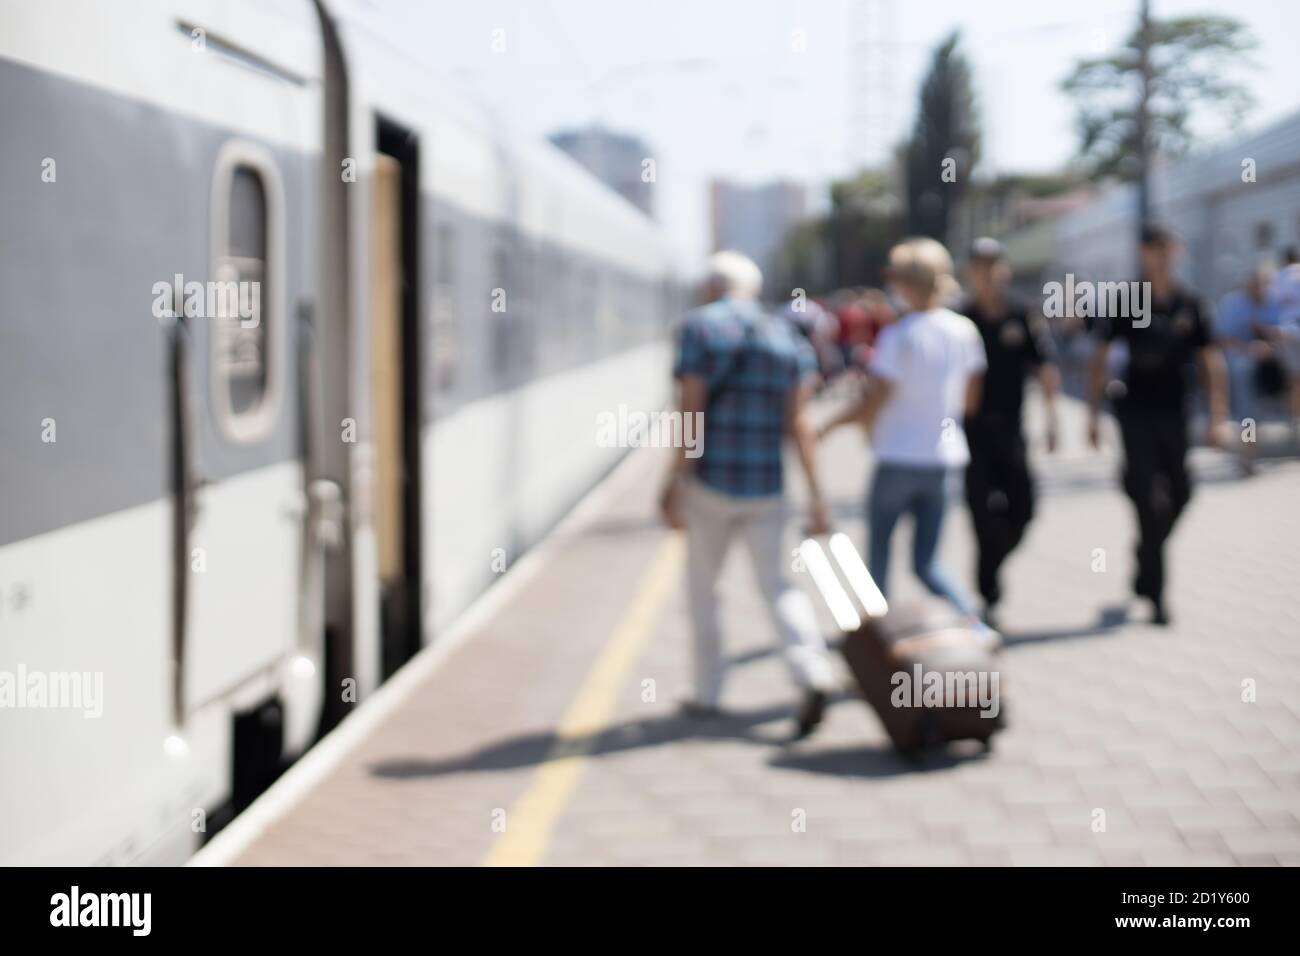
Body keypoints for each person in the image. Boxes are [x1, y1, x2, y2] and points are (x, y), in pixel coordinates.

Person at [659, 251, 836, 739]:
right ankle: (812, 673)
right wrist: (818, 496)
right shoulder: (784, 335)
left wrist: (676, 481)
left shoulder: (698, 329)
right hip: (768, 487)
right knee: (779, 586)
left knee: (704, 589)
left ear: (711, 287)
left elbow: (691, 413)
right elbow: (799, 424)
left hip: (712, 483)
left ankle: (708, 691)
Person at [821, 237, 986, 620]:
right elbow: (970, 400)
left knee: (878, 558)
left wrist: (828, 428)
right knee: (927, 563)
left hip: (897, 457)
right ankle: (975, 625)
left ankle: (875, 640)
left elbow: (873, 401)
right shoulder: (964, 331)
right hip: (942, 459)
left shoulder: (900, 335)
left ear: (906, 284)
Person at [1086, 225, 1229, 626]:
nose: (1162, 256)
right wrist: (1092, 414)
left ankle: (1145, 555)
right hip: (1135, 411)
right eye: (1154, 249)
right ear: (1143, 253)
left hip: (1176, 410)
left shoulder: (1190, 302)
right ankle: (1158, 596)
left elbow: (1210, 361)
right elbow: (1099, 357)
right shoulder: (1128, 299)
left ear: (1177, 251)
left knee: (1181, 492)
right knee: (1149, 499)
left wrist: (1219, 417)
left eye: (1168, 248)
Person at [958, 238, 1061, 627]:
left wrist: (1053, 419)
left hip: (1012, 429)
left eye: (993, 264)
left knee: (1023, 509)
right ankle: (988, 593)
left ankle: (993, 564)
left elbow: (1044, 367)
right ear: (970, 272)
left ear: (1004, 269)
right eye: (979, 265)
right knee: (982, 516)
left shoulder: (1022, 315)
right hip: (971, 434)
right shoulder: (961, 318)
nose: (987, 273)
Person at [1214, 265, 1281, 474]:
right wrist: (1250, 350)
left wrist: (1269, 342)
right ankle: (1247, 456)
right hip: (1242, 361)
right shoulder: (1232, 304)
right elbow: (1222, 339)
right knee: (1249, 412)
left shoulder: (1274, 301)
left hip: (1276, 358)